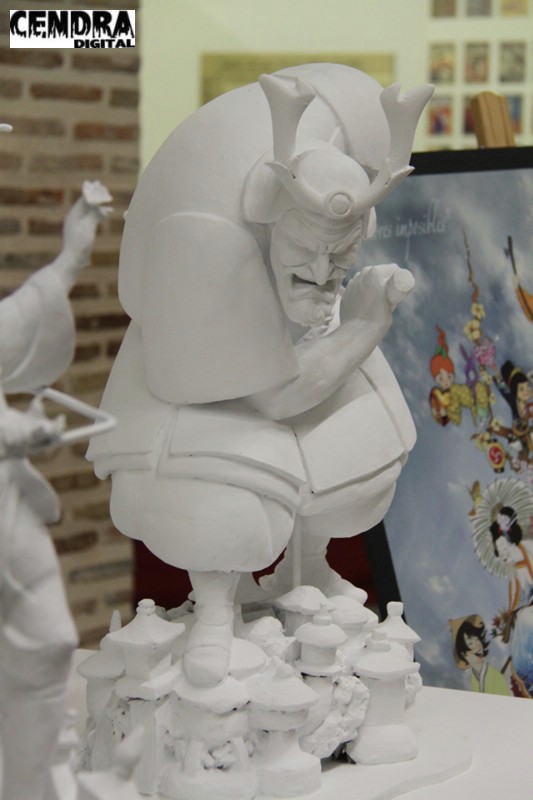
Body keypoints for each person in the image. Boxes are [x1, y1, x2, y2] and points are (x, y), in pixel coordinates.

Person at [88, 65, 432, 688]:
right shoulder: (204, 240)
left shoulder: (333, 151)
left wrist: (337, 311)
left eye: (341, 254)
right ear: (270, 223)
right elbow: (276, 397)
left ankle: (307, 563)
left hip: (287, 342)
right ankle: (216, 606)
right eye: (306, 253)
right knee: (222, 504)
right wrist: (362, 326)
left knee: (362, 450)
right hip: (197, 377)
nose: (324, 272)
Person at [0, 178, 110, 800]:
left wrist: (72, 255)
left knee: (50, 643)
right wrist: (14, 433)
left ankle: (29, 784)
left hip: (9, 514)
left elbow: (16, 321)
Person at [450, 615, 510, 696]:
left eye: (477, 639)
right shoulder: (474, 679)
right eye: (470, 643)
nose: (477, 645)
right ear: (463, 654)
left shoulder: (494, 677)